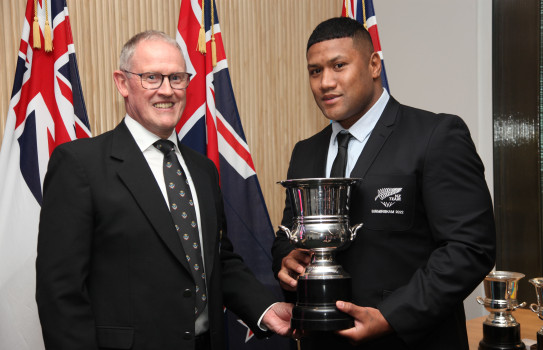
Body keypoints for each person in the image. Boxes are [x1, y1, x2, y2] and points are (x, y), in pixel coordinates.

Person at [36, 30, 292, 350]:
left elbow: (216, 260)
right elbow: (59, 293)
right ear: (122, 82)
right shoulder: (79, 165)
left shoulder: (202, 170)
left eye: (177, 78)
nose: (167, 90)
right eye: (152, 77)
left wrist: (265, 310)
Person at [272, 17, 496, 350]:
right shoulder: (305, 152)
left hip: (410, 340)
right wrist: (288, 258)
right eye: (315, 71)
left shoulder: (435, 136)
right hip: (322, 341)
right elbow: (287, 233)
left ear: (374, 64)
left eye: (338, 65)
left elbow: (469, 248)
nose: (325, 82)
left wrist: (391, 316)